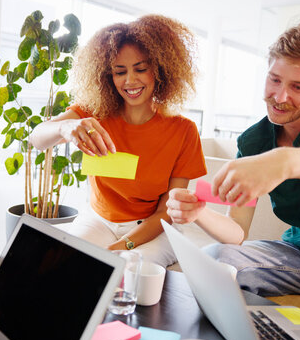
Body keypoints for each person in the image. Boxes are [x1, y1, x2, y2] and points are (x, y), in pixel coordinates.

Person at [167, 19, 300, 336]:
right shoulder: (254, 142)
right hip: (297, 257)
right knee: (215, 262)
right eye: (274, 79)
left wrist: (285, 160)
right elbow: (237, 232)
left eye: (298, 87)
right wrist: (199, 213)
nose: (280, 97)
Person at [30, 15, 206, 267]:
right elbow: (37, 138)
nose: (130, 81)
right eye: (119, 72)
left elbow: (166, 212)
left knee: (127, 271)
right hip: (99, 220)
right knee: (65, 266)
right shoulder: (93, 113)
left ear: (160, 69)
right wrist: (67, 127)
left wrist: (121, 246)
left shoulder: (183, 131)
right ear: (107, 76)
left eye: (141, 69)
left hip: (155, 229)